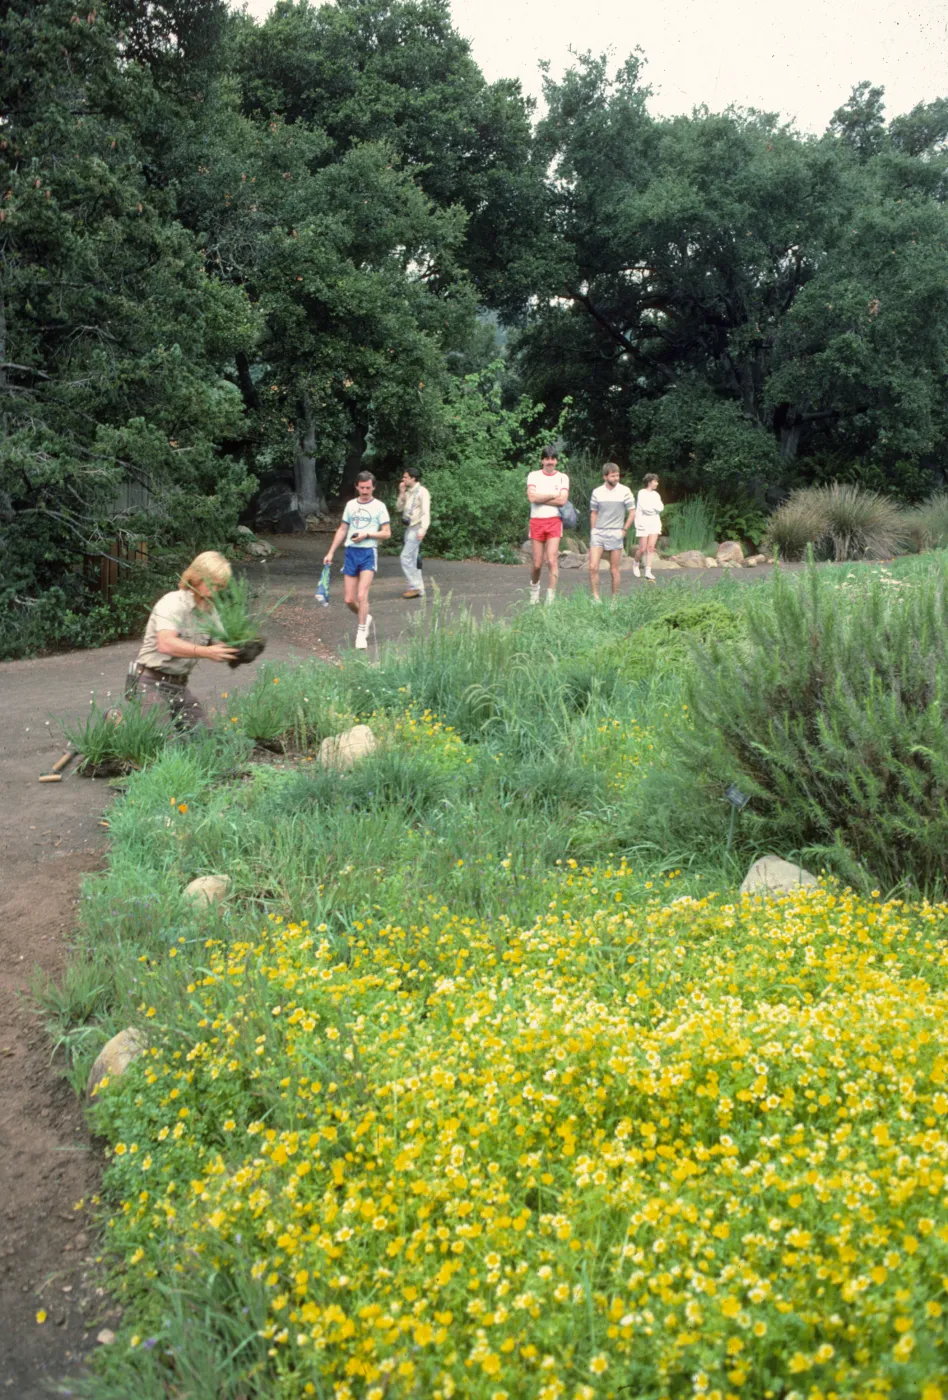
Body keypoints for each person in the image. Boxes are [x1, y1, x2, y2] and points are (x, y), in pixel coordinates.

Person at [131, 551, 238, 729]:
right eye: (212, 584)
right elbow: (166, 644)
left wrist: (241, 649)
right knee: (163, 744)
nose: (215, 591)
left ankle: (127, 723)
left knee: (208, 739)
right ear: (197, 577)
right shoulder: (173, 603)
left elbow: (220, 646)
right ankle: (118, 723)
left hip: (179, 687)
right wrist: (207, 652)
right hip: (149, 683)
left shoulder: (209, 610)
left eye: (220, 586)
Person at [324, 470, 391, 649]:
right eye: (361, 488)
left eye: (368, 488)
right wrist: (330, 552)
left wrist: (367, 533)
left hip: (368, 552)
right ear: (356, 487)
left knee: (362, 595)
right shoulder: (350, 505)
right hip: (351, 553)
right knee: (348, 599)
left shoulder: (379, 506)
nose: (364, 491)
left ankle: (361, 633)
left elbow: (387, 533)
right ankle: (366, 617)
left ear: (373, 487)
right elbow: (342, 529)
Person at [526, 446, 569, 605]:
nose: (550, 462)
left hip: (554, 522)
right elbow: (531, 497)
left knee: (552, 560)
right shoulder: (533, 476)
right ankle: (534, 591)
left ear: (556, 460)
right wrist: (552, 495)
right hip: (536, 521)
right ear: (542, 460)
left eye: (553, 459)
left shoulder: (563, 477)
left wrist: (540, 497)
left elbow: (562, 500)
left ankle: (550, 599)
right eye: (547, 459)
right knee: (537, 564)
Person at [589, 462, 635, 603]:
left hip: (616, 532)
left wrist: (624, 530)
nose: (616, 478)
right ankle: (596, 598)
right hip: (599, 532)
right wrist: (593, 530)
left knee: (614, 569)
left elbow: (632, 512)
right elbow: (594, 512)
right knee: (593, 566)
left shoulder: (625, 491)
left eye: (617, 475)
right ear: (605, 476)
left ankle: (614, 599)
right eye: (613, 476)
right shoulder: (597, 492)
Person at [396, 466, 431, 600]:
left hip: (417, 528)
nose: (402, 479)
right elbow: (399, 508)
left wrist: (423, 529)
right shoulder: (408, 491)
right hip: (409, 528)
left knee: (405, 557)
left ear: (413, 478)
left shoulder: (423, 492)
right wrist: (401, 493)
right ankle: (419, 589)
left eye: (405, 477)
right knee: (413, 559)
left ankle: (414, 586)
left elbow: (425, 512)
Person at [633, 473, 664, 582]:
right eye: (655, 481)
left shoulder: (656, 495)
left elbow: (661, 507)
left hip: (654, 522)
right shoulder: (642, 493)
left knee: (650, 548)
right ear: (649, 482)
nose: (657, 483)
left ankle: (648, 570)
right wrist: (654, 508)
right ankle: (636, 564)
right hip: (643, 523)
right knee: (642, 548)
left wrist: (655, 508)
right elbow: (646, 508)